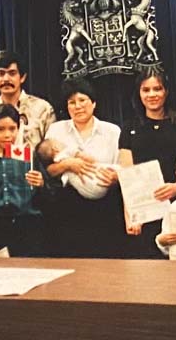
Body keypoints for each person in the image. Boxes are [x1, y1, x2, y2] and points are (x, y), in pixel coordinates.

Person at [118, 70, 176, 258]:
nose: (152, 94)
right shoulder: (129, 128)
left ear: (166, 92)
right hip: (144, 215)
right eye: (146, 90)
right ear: (139, 94)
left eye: (157, 89)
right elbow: (127, 176)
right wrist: (131, 216)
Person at [44, 78, 123, 258]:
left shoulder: (112, 131)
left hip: (105, 209)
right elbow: (46, 171)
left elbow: (124, 169)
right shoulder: (56, 131)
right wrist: (67, 164)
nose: (78, 106)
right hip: (67, 208)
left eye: (82, 100)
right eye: (72, 102)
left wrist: (115, 177)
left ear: (93, 103)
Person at [0, 104, 48, 257]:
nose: (7, 135)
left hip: (29, 231)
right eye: (1, 129)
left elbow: (49, 196)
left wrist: (43, 184)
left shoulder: (29, 159)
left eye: (12, 129)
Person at [0, 50, 56, 155]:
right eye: (1, 73)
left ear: (22, 77)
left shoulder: (43, 109)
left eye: (12, 73)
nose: (6, 79)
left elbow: (51, 151)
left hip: (32, 169)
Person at [36, 138, 119, 200]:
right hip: (97, 181)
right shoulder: (67, 151)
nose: (62, 143)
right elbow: (88, 159)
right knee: (108, 169)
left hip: (87, 192)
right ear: (55, 148)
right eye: (59, 143)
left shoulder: (56, 162)